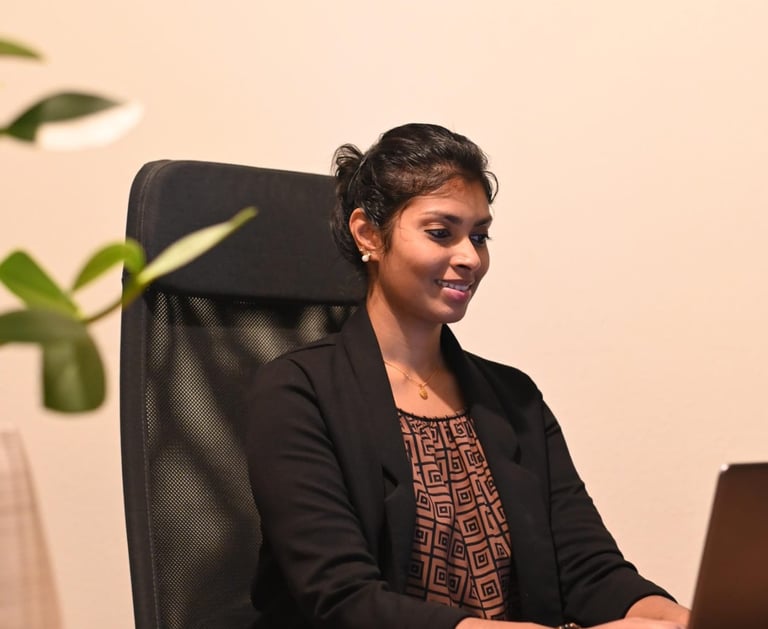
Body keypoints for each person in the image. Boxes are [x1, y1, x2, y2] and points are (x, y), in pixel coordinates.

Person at [245, 123, 690, 629]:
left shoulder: (514, 398)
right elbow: (345, 600)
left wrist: (686, 619)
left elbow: (590, 573)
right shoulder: (297, 393)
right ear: (368, 233)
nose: (470, 258)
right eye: (441, 233)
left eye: (479, 236)